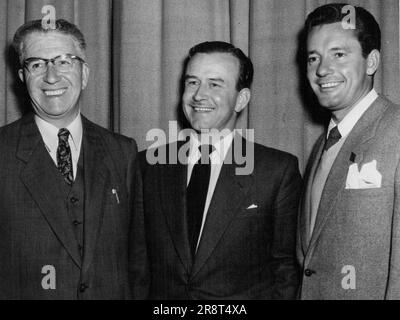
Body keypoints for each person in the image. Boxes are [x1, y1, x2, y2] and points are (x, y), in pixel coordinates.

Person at [138, 41, 302, 299]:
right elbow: (136, 264)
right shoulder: (148, 165)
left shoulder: (276, 171)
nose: (199, 95)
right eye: (192, 82)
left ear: (241, 99)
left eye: (215, 84)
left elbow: (286, 270)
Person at [0, 19, 145, 299]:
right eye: (37, 64)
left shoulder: (122, 152)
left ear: (85, 74)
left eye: (64, 62)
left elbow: (137, 265)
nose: (51, 76)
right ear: (22, 76)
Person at [297, 3, 400, 299]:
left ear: (371, 62)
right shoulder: (322, 145)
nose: (322, 70)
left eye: (339, 55)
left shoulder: (396, 130)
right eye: (313, 58)